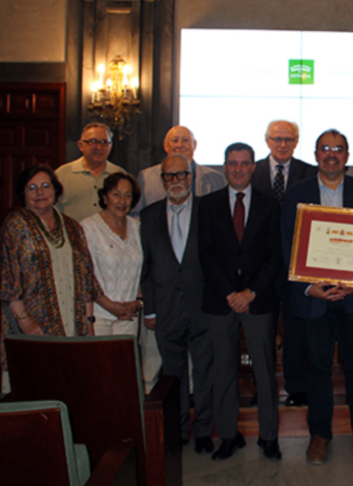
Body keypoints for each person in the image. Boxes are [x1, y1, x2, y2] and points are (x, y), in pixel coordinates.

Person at [281, 129, 353, 465]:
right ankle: (320, 434)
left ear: (347, 156)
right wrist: (308, 286)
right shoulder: (297, 193)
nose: (331, 154)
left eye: (338, 149)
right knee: (316, 368)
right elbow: (287, 244)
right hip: (314, 298)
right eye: (325, 148)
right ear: (316, 155)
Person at [1, 165, 135, 386]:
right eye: (31, 188)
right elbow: (8, 279)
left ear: (56, 190)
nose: (39, 192)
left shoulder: (73, 227)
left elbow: (86, 279)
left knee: (73, 384)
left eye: (45, 186)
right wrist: (25, 322)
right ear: (22, 193)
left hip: (73, 324)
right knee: (34, 385)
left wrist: (89, 323)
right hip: (33, 326)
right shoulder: (15, 225)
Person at [199, 143, 283, 461]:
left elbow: (275, 255)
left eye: (244, 163)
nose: (238, 169)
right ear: (224, 166)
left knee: (264, 371)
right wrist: (230, 294)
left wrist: (250, 292)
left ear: (253, 167)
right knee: (223, 371)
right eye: (232, 163)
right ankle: (228, 436)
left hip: (258, 300)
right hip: (220, 300)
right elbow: (206, 254)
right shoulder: (207, 205)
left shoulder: (269, 204)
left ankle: (269, 437)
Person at [140, 154, 216, 455]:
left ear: (191, 176)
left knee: (204, 372)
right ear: (162, 180)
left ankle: (203, 431)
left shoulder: (208, 210)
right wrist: (150, 309)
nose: (176, 181)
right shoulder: (149, 216)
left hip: (203, 308)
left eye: (181, 174)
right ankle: (179, 430)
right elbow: (146, 266)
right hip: (166, 309)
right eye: (169, 176)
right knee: (173, 375)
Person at [252, 119, 317, 408]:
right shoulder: (251, 171)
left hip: (297, 264)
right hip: (261, 266)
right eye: (276, 139)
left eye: (288, 139)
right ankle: (262, 388)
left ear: (296, 141)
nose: (282, 144)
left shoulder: (310, 173)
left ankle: (297, 387)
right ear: (267, 140)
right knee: (261, 333)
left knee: (296, 331)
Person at [81, 172, 144, 337]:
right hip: (98, 316)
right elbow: (84, 276)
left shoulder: (137, 228)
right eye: (116, 194)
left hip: (129, 317)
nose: (122, 201)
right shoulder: (88, 228)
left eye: (127, 195)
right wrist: (109, 306)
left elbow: (143, 270)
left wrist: (139, 302)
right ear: (104, 197)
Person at [133, 125, 226, 215]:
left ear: (194, 145)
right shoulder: (146, 178)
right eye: (175, 140)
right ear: (165, 146)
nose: (179, 145)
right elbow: (136, 215)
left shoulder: (216, 179)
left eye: (185, 140)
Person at [55, 123, 126, 221]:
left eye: (104, 142)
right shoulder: (62, 175)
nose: (99, 147)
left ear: (110, 146)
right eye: (93, 141)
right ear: (80, 145)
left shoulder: (121, 176)